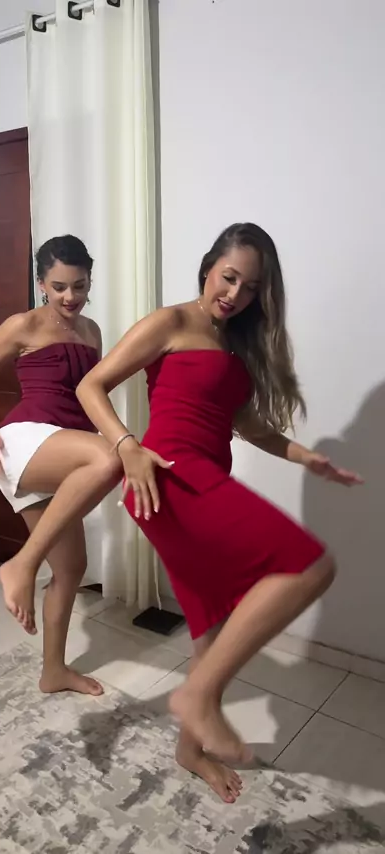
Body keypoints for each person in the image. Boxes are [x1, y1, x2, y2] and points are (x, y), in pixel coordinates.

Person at [75, 222, 363, 803]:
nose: (235, 294)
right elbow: (91, 386)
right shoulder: (171, 322)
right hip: (169, 476)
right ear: (208, 267)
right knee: (311, 565)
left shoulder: (233, 343)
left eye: (251, 288)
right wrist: (127, 446)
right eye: (228, 277)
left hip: (202, 477)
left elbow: (247, 425)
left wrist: (307, 457)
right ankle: (199, 697)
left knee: (212, 628)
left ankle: (190, 747)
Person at [0, 235, 123, 695]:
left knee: (71, 569)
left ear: (89, 282)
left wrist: (121, 434)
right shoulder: (24, 325)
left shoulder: (91, 332)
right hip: (25, 440)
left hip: (66, 448)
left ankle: (54, 671)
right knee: (108, 458)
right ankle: (21, 565)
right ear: (41, 284)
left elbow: (91, 397)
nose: (70, 297)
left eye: (80, 286)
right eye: (59, 286)